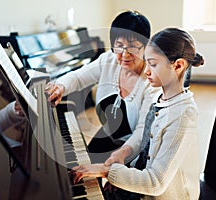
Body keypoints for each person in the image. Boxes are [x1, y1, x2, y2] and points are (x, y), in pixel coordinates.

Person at [70, 27, 205, 200]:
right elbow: (145, 152)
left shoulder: (183, 116)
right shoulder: (161, 100)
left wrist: (108, 172)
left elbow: (155, 183)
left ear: (178, 65)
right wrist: (123, 166)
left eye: (153, 64)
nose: (146, 71)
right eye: (146, 62)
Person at [45, 11, 156, 164]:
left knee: (116, 183)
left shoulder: (152, 82)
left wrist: (120, 162)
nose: (125, 54)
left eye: (133, 47)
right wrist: (60, 86)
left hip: (137, 147)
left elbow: (141, 133)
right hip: (109, 134)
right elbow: (78, 77)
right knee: (82, 169)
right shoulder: (108, 60)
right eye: (119, 46)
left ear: (145, 46)